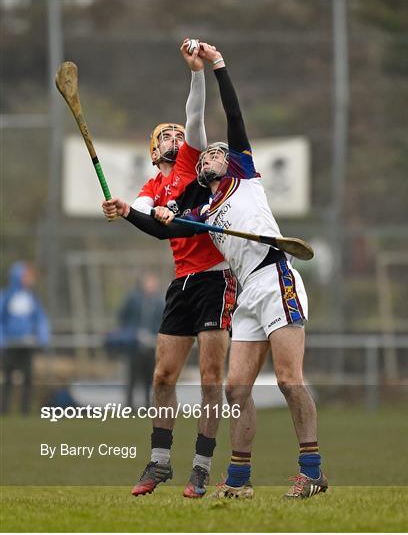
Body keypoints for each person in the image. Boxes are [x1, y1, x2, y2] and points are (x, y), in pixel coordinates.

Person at [157, 43, 328, 500]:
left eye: (218, 152)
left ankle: (311, 471)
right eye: (207, 155)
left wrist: (217, 66)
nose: (212, 154)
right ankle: (238, 480)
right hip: (245, 292)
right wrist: (161, 216)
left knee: (290, 378)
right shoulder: (204, 207)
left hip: (275, 276)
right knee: (236, 390)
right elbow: (173, 224)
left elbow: (232, 118)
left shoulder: (245, 176)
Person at [102, 40, 237, 499]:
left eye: (179, 135)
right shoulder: (151, 187)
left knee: (210, 379)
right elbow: (145, 217)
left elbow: (195, 113)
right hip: (182, 284)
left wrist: (197, 72)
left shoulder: (190, 164)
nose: (176, 137)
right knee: (163, 377)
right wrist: (125, 209)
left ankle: (201, 466)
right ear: (152, 148)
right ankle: (159, 462)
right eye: (167, 135)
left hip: (216, 278)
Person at [106, 272, 164, 408]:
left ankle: (148, 405)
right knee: (132, 376)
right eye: (150, 283)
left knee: (149, 377)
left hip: (151, 344)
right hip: (134, 344)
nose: (152, 286)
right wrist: (130, 332)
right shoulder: (133, 299)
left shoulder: (159, 301)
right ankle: (129, 405)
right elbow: (123, 315)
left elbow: (162, 320)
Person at [0, 262, 50, 414]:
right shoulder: (7, 296)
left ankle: (25, 411)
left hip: (27, 344)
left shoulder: (32, 297)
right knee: (7, 378)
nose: (30, 279)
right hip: (10, 345)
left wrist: (43, 337)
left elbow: (40, 318)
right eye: (26, 276)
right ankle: (4, 410)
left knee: (27, 378)